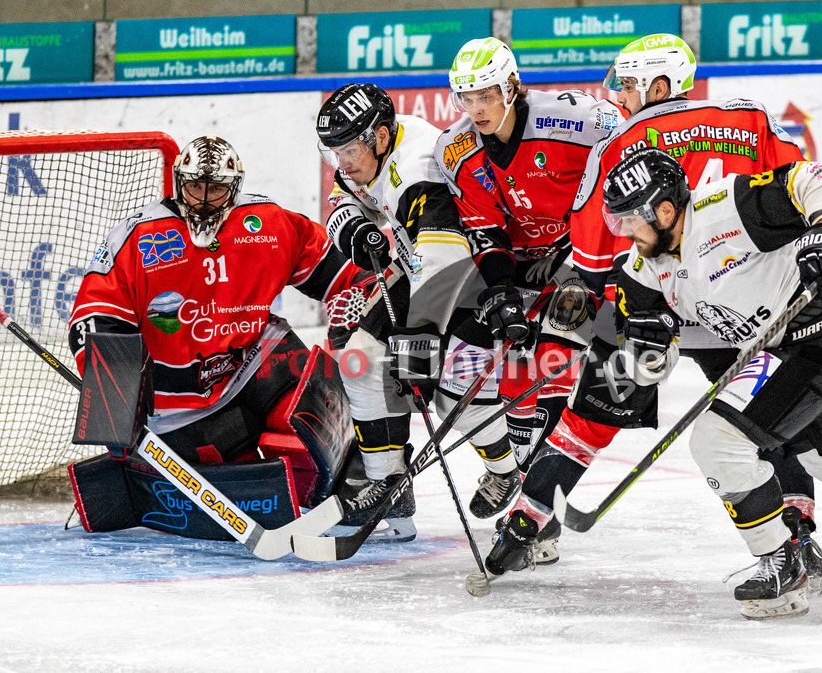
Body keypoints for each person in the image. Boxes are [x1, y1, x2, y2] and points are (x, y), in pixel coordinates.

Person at [485, 34, 822, 585]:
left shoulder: (620, 144)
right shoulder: (751, 118)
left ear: (660, 86)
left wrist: (586, 322)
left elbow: (594, 257)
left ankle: (527, 524)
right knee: (766, 425)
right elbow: (798, 196)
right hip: (741, 306)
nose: (619, 96)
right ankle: (798, 536)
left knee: (589, 417)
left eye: (627, 84)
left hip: (648, 306)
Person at [599, 147, 822, 618]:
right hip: (800, 347)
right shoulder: (641, 271)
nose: (623, 231)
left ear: (665, 211)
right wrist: (647, 350)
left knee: (717, 441)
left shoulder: (724, 208)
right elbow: (653, 367)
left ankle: (783, 562)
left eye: (629, 220)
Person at [67, 136, 367, 525]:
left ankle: (364, 485)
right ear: (178, 182)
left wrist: (373, 309)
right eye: (195, 186)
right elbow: (93, 316)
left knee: (320, 418)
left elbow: (337, 272)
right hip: (178, 402)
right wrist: (114, 402)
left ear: (235, 187)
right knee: (247, 489)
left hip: (255, 358)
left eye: (217, 188)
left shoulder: (266, 222)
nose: (205, 199)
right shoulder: (138, 236)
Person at [434, 37, 622, 547]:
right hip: (517, 267)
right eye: (466, 98)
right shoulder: (457, 150)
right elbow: (484, 232)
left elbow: (631, 154)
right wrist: (500, 291)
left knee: (549, 362)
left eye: (485, 96)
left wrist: (595, 245)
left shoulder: (576, 120)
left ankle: (542, 516)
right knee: (484, 369)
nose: (475, 109)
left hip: (581, 256)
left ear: (512, 87)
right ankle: (521, 481)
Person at [316, 83, 493, 537]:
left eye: (349, 150)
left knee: (454, 395)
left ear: (378, 137)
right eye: (335, 152)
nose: (342, 162)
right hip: (419, 266)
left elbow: (444, 261)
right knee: (360, 362)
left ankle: (506, 470)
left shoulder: (419, 166)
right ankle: (388, 486)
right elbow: (342, 199)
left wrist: (417, 342)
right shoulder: (372, 151)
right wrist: (355, 229)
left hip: (472, 275)